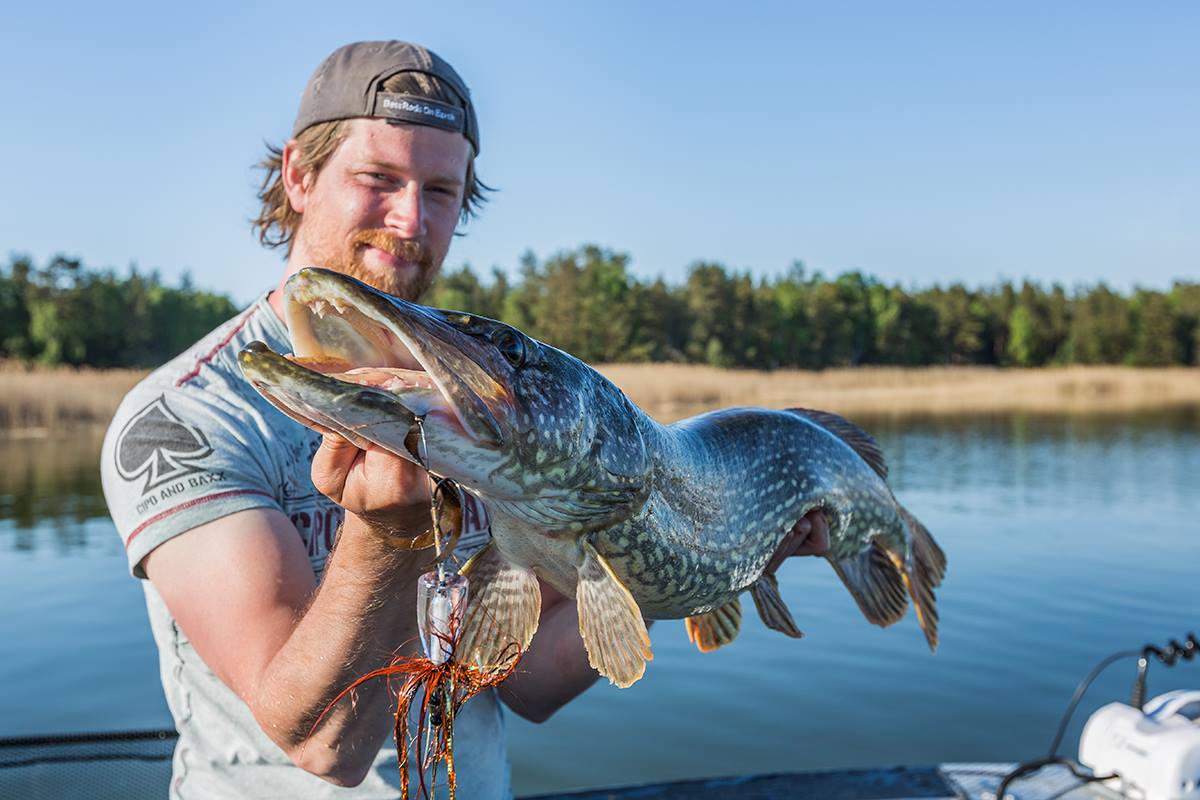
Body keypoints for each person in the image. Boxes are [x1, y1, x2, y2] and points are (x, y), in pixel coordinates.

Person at [100, 40, 829, 799]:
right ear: (299, 176)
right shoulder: (184, 419)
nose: (411, 219)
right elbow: (321, 745)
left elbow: (526, 684)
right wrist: (388, 538)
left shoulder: (487, 420)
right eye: (379, 179)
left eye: (442, 190)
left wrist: (711, 565)